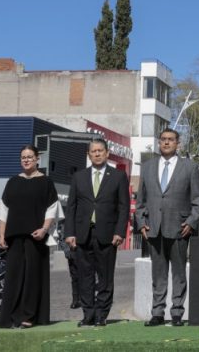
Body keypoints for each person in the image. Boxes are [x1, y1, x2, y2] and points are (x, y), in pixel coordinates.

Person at [137, 127, 199, 327]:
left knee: (179, 273)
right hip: (153, 228)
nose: (166, 142)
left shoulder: (190, 167)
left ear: (178, 143)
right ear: (159, 142)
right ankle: (157, 313)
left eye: (171, 139)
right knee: (158, 274)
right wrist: (141, 223)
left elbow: (198, 200)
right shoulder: (148, 167)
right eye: (163, 139)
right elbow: (140, 200)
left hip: (179, 228)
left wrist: (191, 222)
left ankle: (177, 313)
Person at [64, 138, 130, 327]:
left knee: (105, 278)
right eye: (94, 151)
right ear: (89, 154)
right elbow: (71, 207)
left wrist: (120, 232)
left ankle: (101, 314)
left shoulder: (118, 176)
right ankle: (88, 313)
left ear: (107, 153)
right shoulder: (79, 177)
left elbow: (123, 207)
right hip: (83, 234)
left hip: (108, 235)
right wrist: (70, 233)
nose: (97, 154)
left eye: (101, 150)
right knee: (84, 277)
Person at [0, 144, 60, 329]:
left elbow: (52, 209)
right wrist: (1, 235)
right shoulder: (12, 182)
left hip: (36, 238)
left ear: (37, 159)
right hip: (14, 237)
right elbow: (4, 210)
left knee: (33, 277)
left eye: (30, 156)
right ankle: (11, 316)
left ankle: (29, 315)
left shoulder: (46, 182)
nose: (26, 160)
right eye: (23, 157)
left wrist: (44, 229)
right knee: (13, 278)